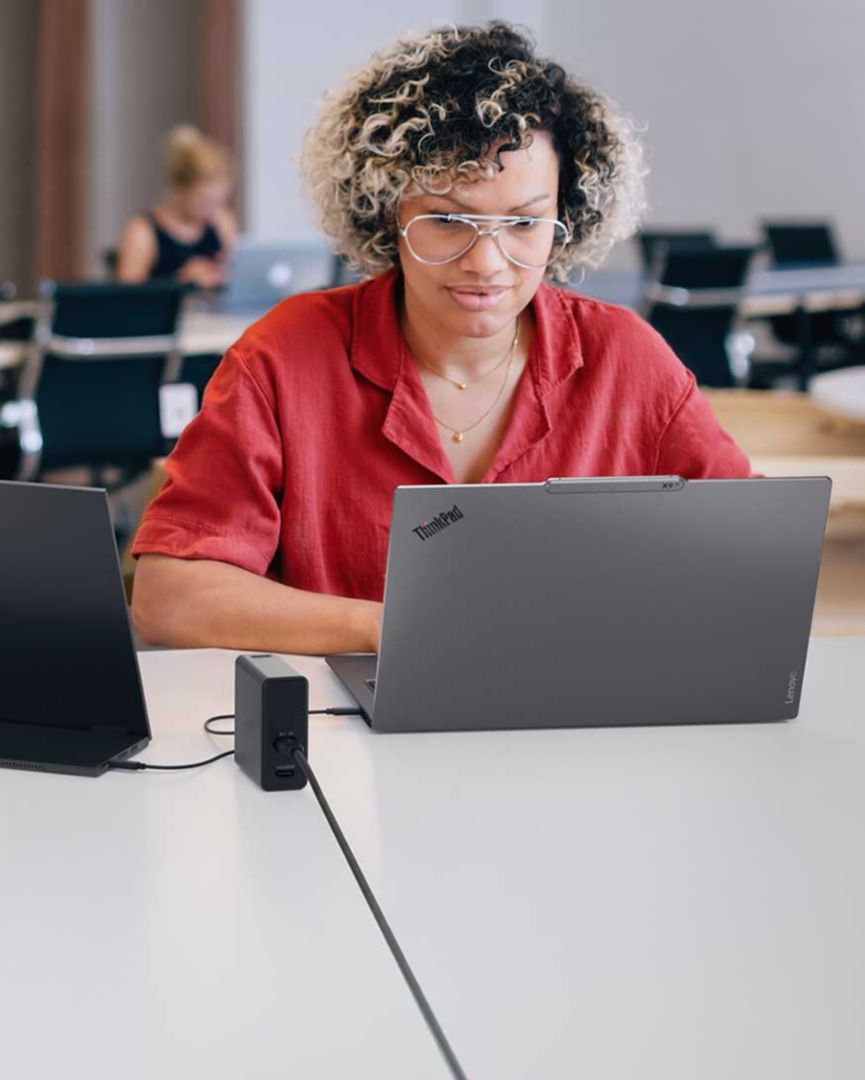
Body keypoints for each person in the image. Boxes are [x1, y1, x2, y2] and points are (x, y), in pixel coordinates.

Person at [131, 21, 754, 656]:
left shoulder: (626, 358)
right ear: (388, 211)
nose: (487, 263)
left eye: (523, 223)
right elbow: (168, 596)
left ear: (565, 217)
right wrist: (393, 629)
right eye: (448, 219)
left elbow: (752, 554)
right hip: (349, 716)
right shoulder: (283, 358)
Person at [115, 125, 237, 287]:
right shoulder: (142, 230)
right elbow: (127, 294)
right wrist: (179, 282)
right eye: (203, 201)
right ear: (180, 189)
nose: (211, 210)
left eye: (218, 202)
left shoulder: (221, 221)